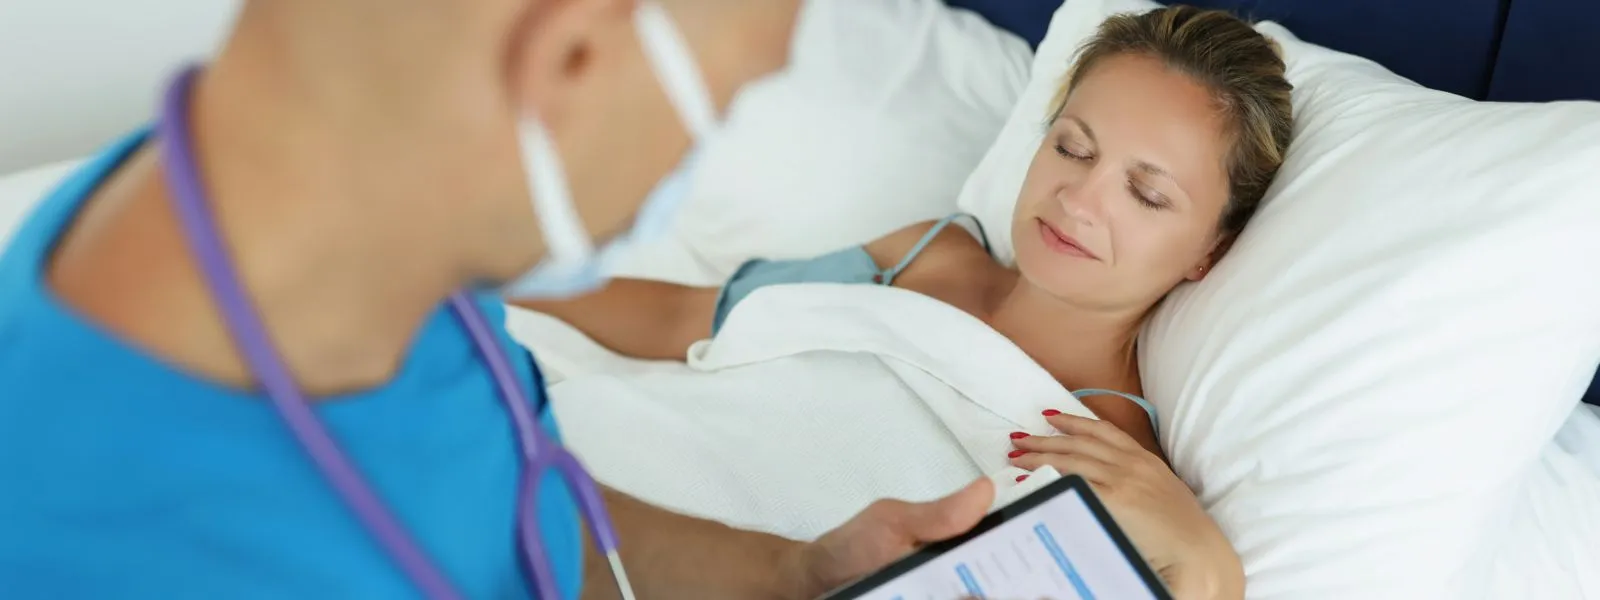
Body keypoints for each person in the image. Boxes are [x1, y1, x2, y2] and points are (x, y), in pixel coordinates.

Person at [0, 0, 1002, 599]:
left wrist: (788, 576)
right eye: (727, 100)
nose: (695, 157)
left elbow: (511, 504)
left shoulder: (365, 236)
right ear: (570, 56)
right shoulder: (105, 546)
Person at [520, 6, 1295, 599]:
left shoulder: (1117, 472)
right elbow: (681, 319)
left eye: (1146, 194)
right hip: (562, 472)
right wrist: (485, 293)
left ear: (1208, 252)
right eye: (1072, 146)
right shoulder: (923, 255)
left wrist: (1208, 568)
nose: (1080, 199)